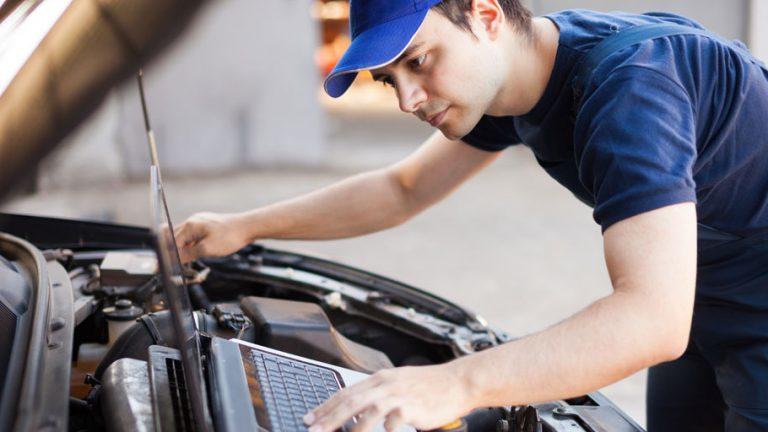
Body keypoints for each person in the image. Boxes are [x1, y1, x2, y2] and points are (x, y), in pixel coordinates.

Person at [174, 1, 768, 430]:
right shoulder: (518, 77)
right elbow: (402, 189)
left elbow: (649, 319)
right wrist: (244, 225)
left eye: (420, 60)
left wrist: (456, 383)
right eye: (389, 80)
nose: (408, 99)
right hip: (701, 300)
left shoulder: (630, 90)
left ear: (485, 16)